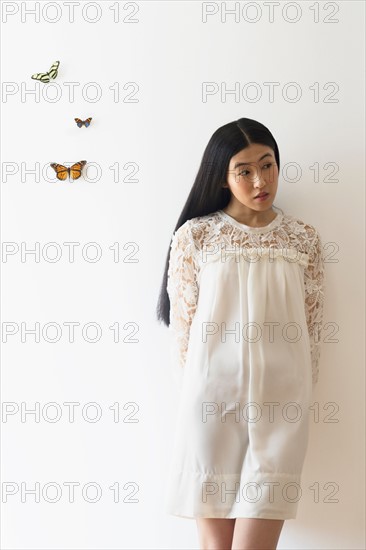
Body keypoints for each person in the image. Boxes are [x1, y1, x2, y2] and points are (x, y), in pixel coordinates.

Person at [156, 117, 326, 550]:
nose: (260, 180)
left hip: (282, 407)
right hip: (212, 404)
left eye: (267, 165)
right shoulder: (196, 236)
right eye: (244, 170)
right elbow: (184, 331)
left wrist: (301, 395)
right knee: (216, 546)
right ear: (223, 176)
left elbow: (312, 327)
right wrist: (197, 393)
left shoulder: (302, 238)